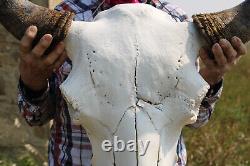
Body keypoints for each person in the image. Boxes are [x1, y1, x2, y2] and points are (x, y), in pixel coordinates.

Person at [17, 0, 247, 165]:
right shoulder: (67, 15)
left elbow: (196, 119)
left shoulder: (180, 21)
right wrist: (33, 77)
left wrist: (212, 76)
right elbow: (34, 116)